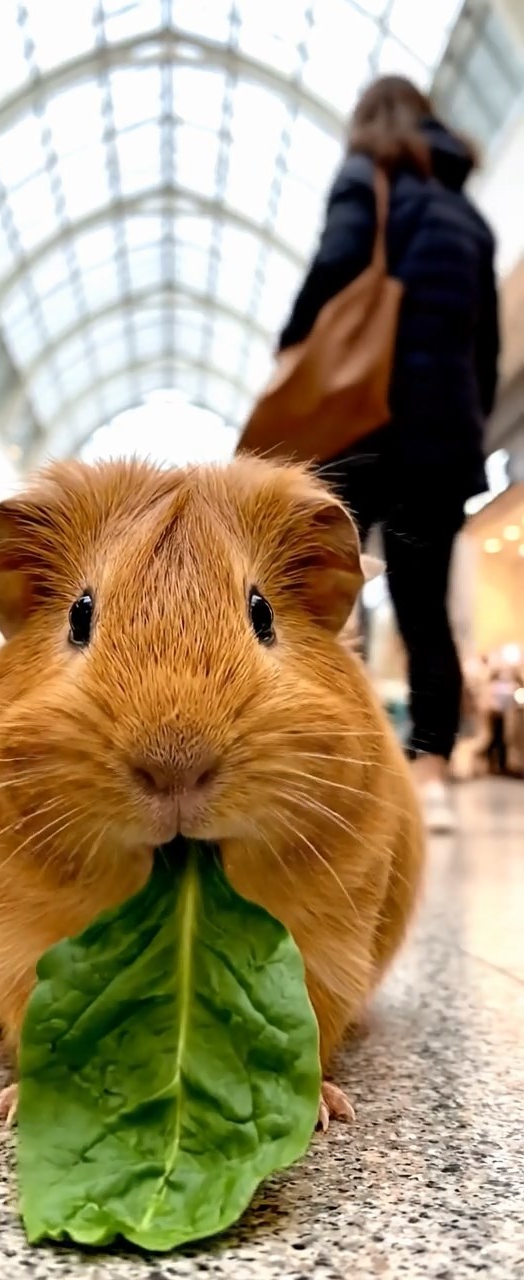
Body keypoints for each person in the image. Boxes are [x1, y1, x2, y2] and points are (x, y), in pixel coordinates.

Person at [277, 76, 499, 833]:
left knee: (326, 594)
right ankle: (429, 775)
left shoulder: (366, 181)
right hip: (440, 443)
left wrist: (290, 348)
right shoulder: (470, 219)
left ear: (368, 122)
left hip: (360, 425)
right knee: (424, 609)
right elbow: (487, 351)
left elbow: (335, 267)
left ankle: (334, 768)